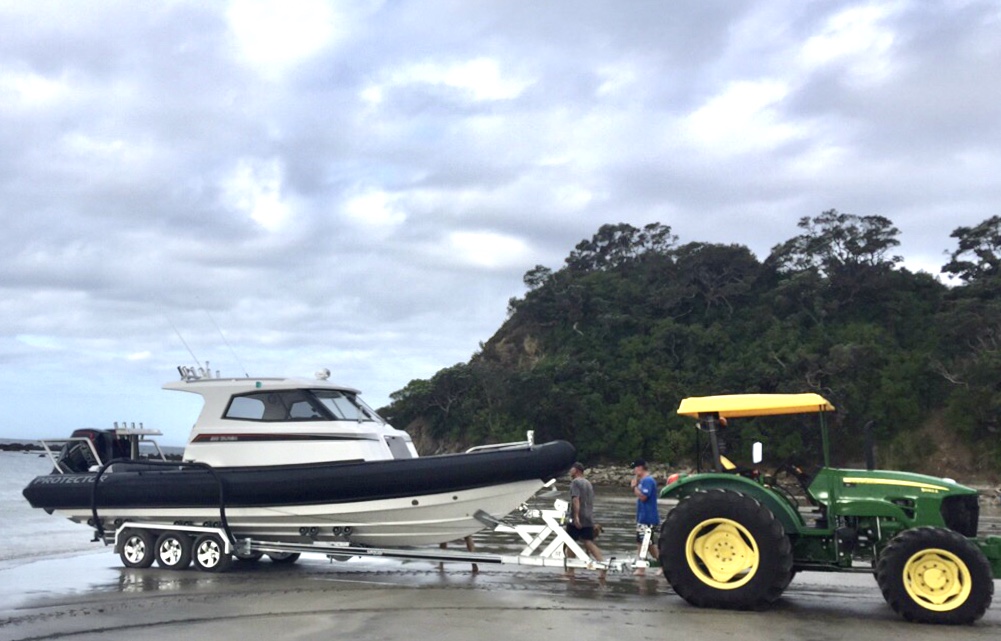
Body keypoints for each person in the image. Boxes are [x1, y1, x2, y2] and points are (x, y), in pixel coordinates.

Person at [565, 462, 605, 578]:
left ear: (577, 470)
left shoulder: (575, 482)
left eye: (571, 469)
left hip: (578, 517)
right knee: (588, 542)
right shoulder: (588, 483)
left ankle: (570, 570)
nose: (569, 471)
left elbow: (576, 499)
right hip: (588, 516)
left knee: (570, 542)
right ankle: (602, 564)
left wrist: (576, 517)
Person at [630, 458, 660, 576]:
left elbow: (643, 497)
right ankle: (663, 564)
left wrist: (634, 487)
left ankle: (641, 568)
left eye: (635, 468)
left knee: (642, 543)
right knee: (649, 544)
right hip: (643, 517)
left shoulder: (648, 481)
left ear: (640, 468)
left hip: (648, 518)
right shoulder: (643, 481)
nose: (633, 471)